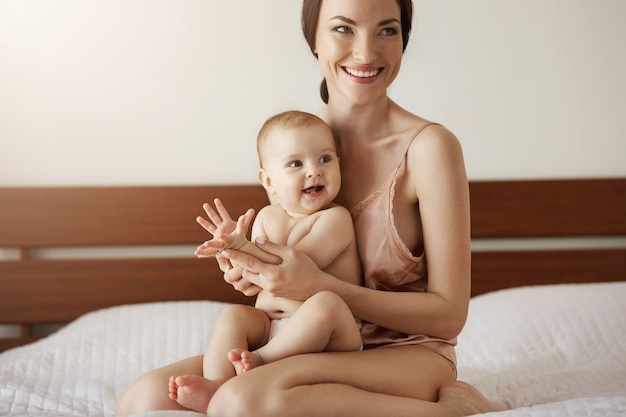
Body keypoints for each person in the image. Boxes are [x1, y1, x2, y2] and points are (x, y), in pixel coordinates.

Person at [117, 0, 506, 416]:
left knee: (239, 401)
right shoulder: (292, 145)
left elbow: (449, 316)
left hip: (405, 353)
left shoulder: (429, 148)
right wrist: (250, 268)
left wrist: (321, 286)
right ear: (313, 39)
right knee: (145, 399)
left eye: (387, 30)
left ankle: (453, 410)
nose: (366, 52)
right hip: (304, 338)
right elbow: (277, 260)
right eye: (343, 29)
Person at [167, 110, 363, 413]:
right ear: (268, 180)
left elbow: (292, 267)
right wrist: (229, 254)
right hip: (269, 325)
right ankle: (218, 385)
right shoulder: (267, 216)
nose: (314, 171)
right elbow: (253, 274)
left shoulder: (336, 219)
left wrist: (243, 247)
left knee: (327, 303)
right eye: (296, 163)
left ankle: (261, 362)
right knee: (234, 315)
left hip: (328, 336)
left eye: (325, 159)